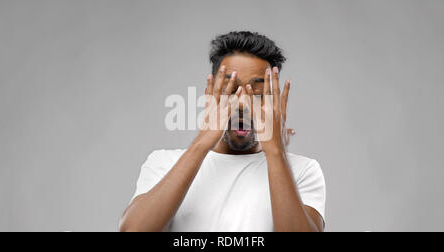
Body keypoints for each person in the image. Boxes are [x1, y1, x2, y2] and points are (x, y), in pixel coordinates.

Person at [119, 31, 326, 232]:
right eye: (231, 90)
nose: (243, 103)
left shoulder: (302, 170)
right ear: (210, 95)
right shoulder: (163, 163)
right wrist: (201, 144)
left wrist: (275, 152)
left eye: (258, 93)